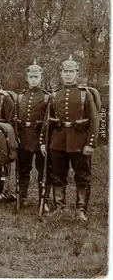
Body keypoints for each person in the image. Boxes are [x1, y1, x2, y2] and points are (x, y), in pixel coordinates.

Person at [40, 55, 99, 221]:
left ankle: (81, 210)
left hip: (80, 141)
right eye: (65, 71)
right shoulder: (54, 95)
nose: (67, 74)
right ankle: (59, 207)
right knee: (58, 175)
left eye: (71, 71)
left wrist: (91, 143)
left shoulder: (84, 94)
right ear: (60, 73)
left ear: (76, 73)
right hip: (58, 141)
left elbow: (95, 120)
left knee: (82, 175)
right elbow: (47, 121)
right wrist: (44, 141)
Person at [16, 59, 52, 209]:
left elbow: (47, 121)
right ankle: (22, 197)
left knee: (43, 170)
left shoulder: (46, 97)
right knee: (23, 169)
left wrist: (44, 140)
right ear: (27, 78)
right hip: (24, 137)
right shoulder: (20, 96)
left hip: (39, 138)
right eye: (31, 77)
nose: (33, 79)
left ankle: (43, 200)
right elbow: (15, 118)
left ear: (41, 78)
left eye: (36, 77)